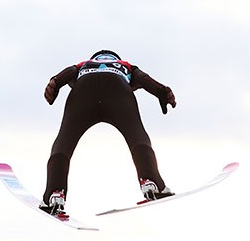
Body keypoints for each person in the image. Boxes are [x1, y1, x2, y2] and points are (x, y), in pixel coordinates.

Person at [41, 50, 178, 215]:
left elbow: (68, 72)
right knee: (137, 136)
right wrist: (162, 91)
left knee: (64, 141)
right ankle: (152, 182)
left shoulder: (84, 65)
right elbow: (144, 79)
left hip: (83, 89)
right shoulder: (125, 66)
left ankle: (54, 193)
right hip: (117, 88)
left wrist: (55, 82)